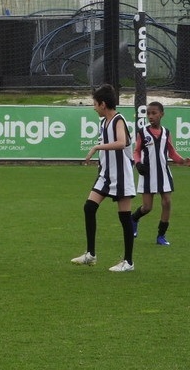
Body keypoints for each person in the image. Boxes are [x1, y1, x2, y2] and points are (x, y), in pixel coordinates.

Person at [71, 83, 136, 272]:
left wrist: (96, 148)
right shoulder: (103, 122)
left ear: (103, 104)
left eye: (95, 104)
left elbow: (122, 142)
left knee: (124, 218)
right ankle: (90, 254)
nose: (93, 108)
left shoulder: (118, 120)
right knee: (89, 207)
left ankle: (129, 262)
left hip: (121, 176)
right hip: (106, 175)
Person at [132, 101, 189, 245]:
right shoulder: (142, 132)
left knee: (167, 202)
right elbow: (136, 151)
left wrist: (182, 161)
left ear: (161, 114)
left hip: (163, 174)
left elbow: (172, 152)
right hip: (148, 174)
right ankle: (134, 219)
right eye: (148, 113)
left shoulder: (166, 133)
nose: (150, 116)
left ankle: (161, 236)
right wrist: (138, 163)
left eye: (154, 113)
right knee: (147, 207)